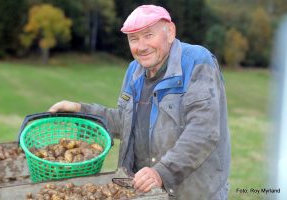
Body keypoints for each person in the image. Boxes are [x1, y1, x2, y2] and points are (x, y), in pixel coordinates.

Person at [49, 4, 231, 200]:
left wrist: (161, 172)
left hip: (193, 193)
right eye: (133, 39)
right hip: (145, 192)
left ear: (170, 32)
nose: (141, 46)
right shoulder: (134, 71)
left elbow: (203, 132)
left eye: (148, 35)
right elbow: (126, 123)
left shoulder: (197, 61)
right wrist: (80, 110)